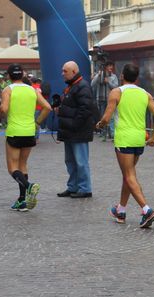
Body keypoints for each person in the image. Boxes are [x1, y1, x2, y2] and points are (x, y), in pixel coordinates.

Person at [96, 63, 154, 228]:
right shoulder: (145, 94)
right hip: (139, 138)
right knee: (128, 175)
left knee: (129, 175)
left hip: (124, 138)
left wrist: (99, 125)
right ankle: (121, 209)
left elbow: (106, 117)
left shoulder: (117, 92)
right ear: (137, 78)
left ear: (121, 76)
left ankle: (147, 210)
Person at [0, 64, 51, 211]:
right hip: (29, 132)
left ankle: (29, 187)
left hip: (15, 131)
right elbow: (47, 107)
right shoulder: (32, 90)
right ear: (22, 75)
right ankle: (22, 201)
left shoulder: (8, 90)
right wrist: (37, 123)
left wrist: (0, 113)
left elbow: (4, 108)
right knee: (23, 165)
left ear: (8, 76)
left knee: (12, 168)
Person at [56, 61, 96, 199]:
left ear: (73, 72)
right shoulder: (73, 86)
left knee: (80, 161)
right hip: (71, 131)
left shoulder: (82, 86)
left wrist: (73, 124)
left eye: (65, 71)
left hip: (77, 131)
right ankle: (73, 186)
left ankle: (85, 188)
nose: (62, 73)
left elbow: (85, 110)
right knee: (71, 161)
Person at [91, 61, 118, 139]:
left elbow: (116, 87)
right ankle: (103, 133)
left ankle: (112, 133)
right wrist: (98, 75)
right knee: (102, 117)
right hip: (100, 99)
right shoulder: (99, 76)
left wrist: (108, 82)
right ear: (106, 67)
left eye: (111, 66)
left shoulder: (113, 76)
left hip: (110, 100)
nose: (111, 68)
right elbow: (92, 84)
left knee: (111, 117)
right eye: (109, 66)